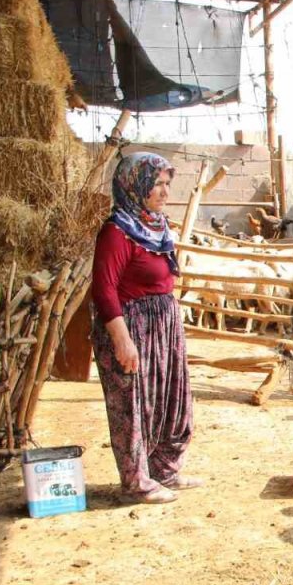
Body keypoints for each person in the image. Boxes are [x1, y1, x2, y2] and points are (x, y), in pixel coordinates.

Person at [91, 152, 200, 504]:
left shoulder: (155, 226)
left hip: (162, 325)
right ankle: (136, 482)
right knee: (134, 406)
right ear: (135, 186)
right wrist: (122, 341)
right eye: (157, 184)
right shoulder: (117, 231)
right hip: (131, 327)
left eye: (167, 183)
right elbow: (104, 289)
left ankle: (164, 469)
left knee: (171, 400)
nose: (165, 191)